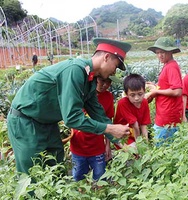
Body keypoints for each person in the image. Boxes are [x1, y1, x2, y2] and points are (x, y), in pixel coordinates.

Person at [7, 38, 132, 174]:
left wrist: (122, 144)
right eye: (116, 65)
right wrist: (109, 128)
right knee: (31, 174)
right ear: (106, 57)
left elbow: (99, 114)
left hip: (48, 124)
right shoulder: (75, 70)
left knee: (56, 167)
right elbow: (72, 118)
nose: (114, 72)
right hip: (25, 122)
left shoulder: (89, 80)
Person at [70, 76, 119, 186]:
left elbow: (108, 122)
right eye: (102, 80)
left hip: (97, 148)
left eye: (108, 82)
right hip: (78, 147)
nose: (104, 85)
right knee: (78, 180)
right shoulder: (80, 94)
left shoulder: (108, 97)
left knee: (100, 179)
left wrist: (107, 146)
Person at [146, 37, 183, 145]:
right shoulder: (168, 65)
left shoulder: (171, 67)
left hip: (167, 118)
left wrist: (155, 92)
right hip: (164, 114)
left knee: (161, 148)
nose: (159, 55)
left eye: (163, 52)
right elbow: (167, 86)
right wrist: (155, 87)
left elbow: (177, 91)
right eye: (157, 53)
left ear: (170, 51)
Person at [114, 74, 151, 149]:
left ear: (144, 91)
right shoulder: (123, 103)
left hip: (134, 135)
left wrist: (146, 144)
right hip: (122, 136)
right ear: (126, 94)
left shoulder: (144, 102)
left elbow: (144, 126)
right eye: (132, 95)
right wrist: (139, 146)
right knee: (135, 152)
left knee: (144, 150)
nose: (137, 98)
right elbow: (135, 125)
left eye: (140, 94)